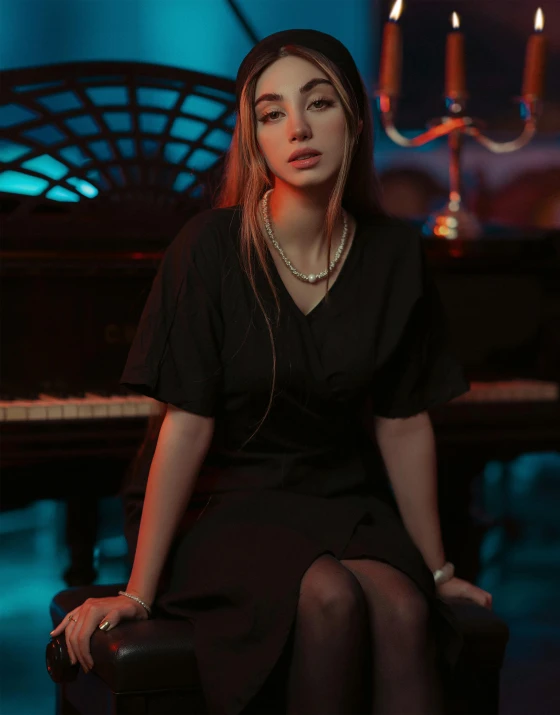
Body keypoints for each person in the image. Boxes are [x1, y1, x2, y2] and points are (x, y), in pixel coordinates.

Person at [50, 28, 493, 714]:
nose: (298, 128)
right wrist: (139, 589)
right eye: (272, 112)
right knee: (330, 597)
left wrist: (438, 571)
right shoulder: (209, 249)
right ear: (253, 137)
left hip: (342, 496)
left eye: (318, 104)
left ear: (353, 117)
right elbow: (185, 426)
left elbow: (403, 423)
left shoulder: (393, 255)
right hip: (227, 502)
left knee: (406, 610)